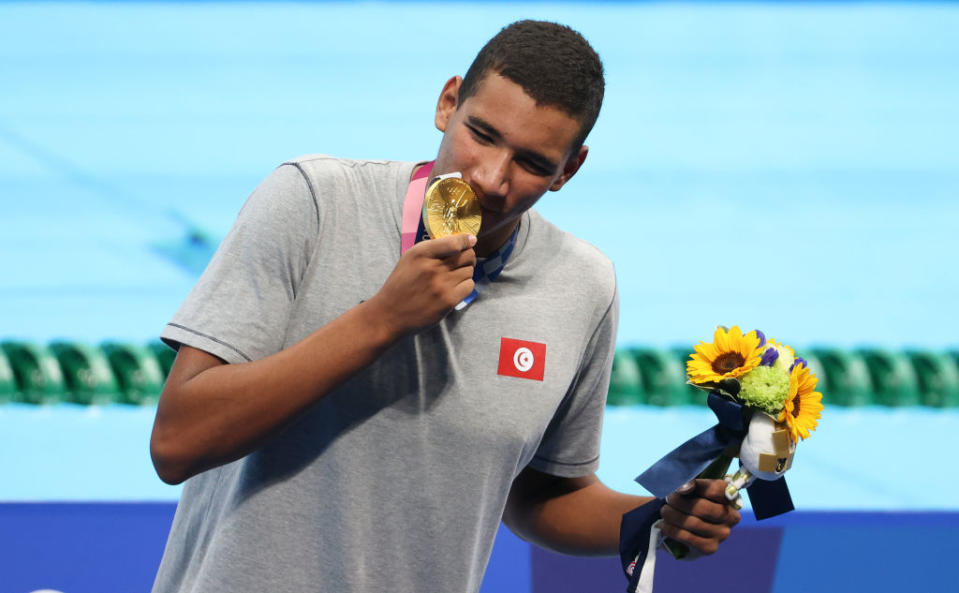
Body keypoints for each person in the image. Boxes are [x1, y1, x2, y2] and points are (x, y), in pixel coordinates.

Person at [149, 20, 739, 593]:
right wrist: (380, 320)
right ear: (447, 102)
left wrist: (654, 517)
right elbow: (178, 442)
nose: (490, 178)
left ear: (570, 169)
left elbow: (542, 496)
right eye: (481, 134)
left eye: (533, 163)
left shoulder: (582, 286)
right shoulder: (315, 202)